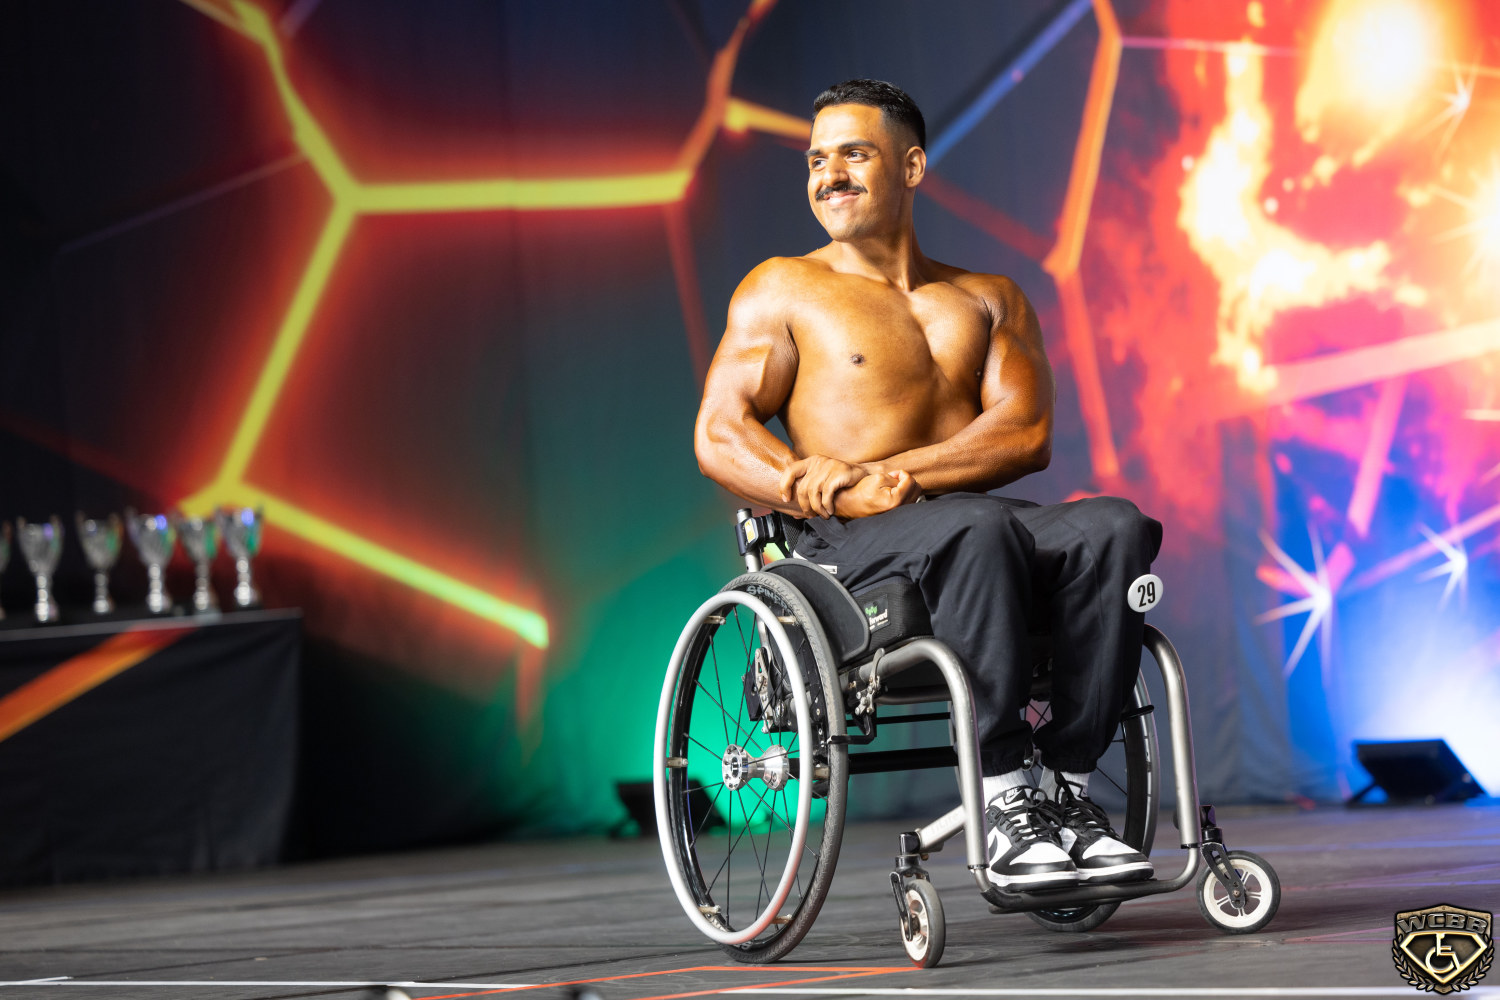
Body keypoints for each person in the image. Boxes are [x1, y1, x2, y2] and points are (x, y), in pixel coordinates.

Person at [693, 79, 1161, 889]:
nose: (829, 176)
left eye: (853, 154)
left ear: (910, 166)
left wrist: (899, 473)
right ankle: (1007, 793)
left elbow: (1026, 433)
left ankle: (1068, 789)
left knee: (1114, 526)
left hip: (967, 520)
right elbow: (718, 432)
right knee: (975, 526)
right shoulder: (784, 288)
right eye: (816, 160)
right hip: (850, 545)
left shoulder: (988, 298)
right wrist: (815, 487)